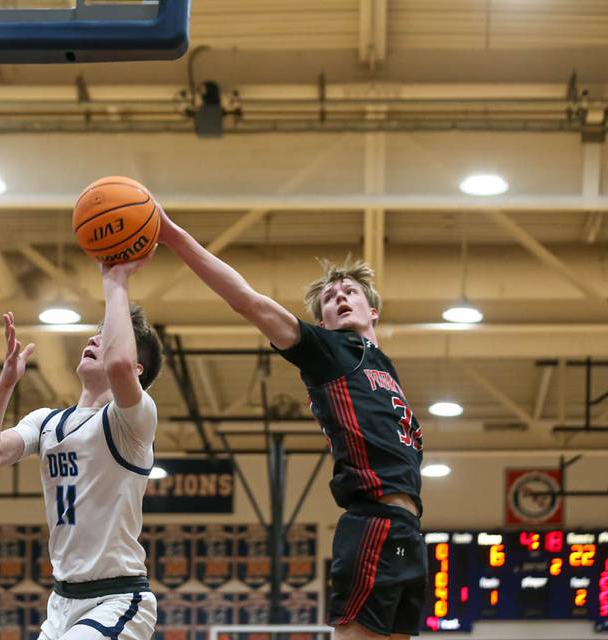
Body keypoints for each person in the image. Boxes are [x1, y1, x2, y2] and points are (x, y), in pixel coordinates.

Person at [157, 210, 426, 640]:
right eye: (330, 297)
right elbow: (248, 301)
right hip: (373, 523)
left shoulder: (384, 367)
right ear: (323, 323)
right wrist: (172, 236)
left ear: (372, 310)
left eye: (350, 291)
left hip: (407, 529)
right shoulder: (331, 351)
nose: (340, 297)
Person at [0, 257, 163, 640]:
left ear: (139, 369)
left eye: (106, 336)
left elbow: (120, 366)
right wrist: (5, 385)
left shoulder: (132, 420)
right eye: (95, 333)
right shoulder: (47, 422)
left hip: (117, 597)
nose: (93, 339)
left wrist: (116, 282)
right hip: (61, 601)